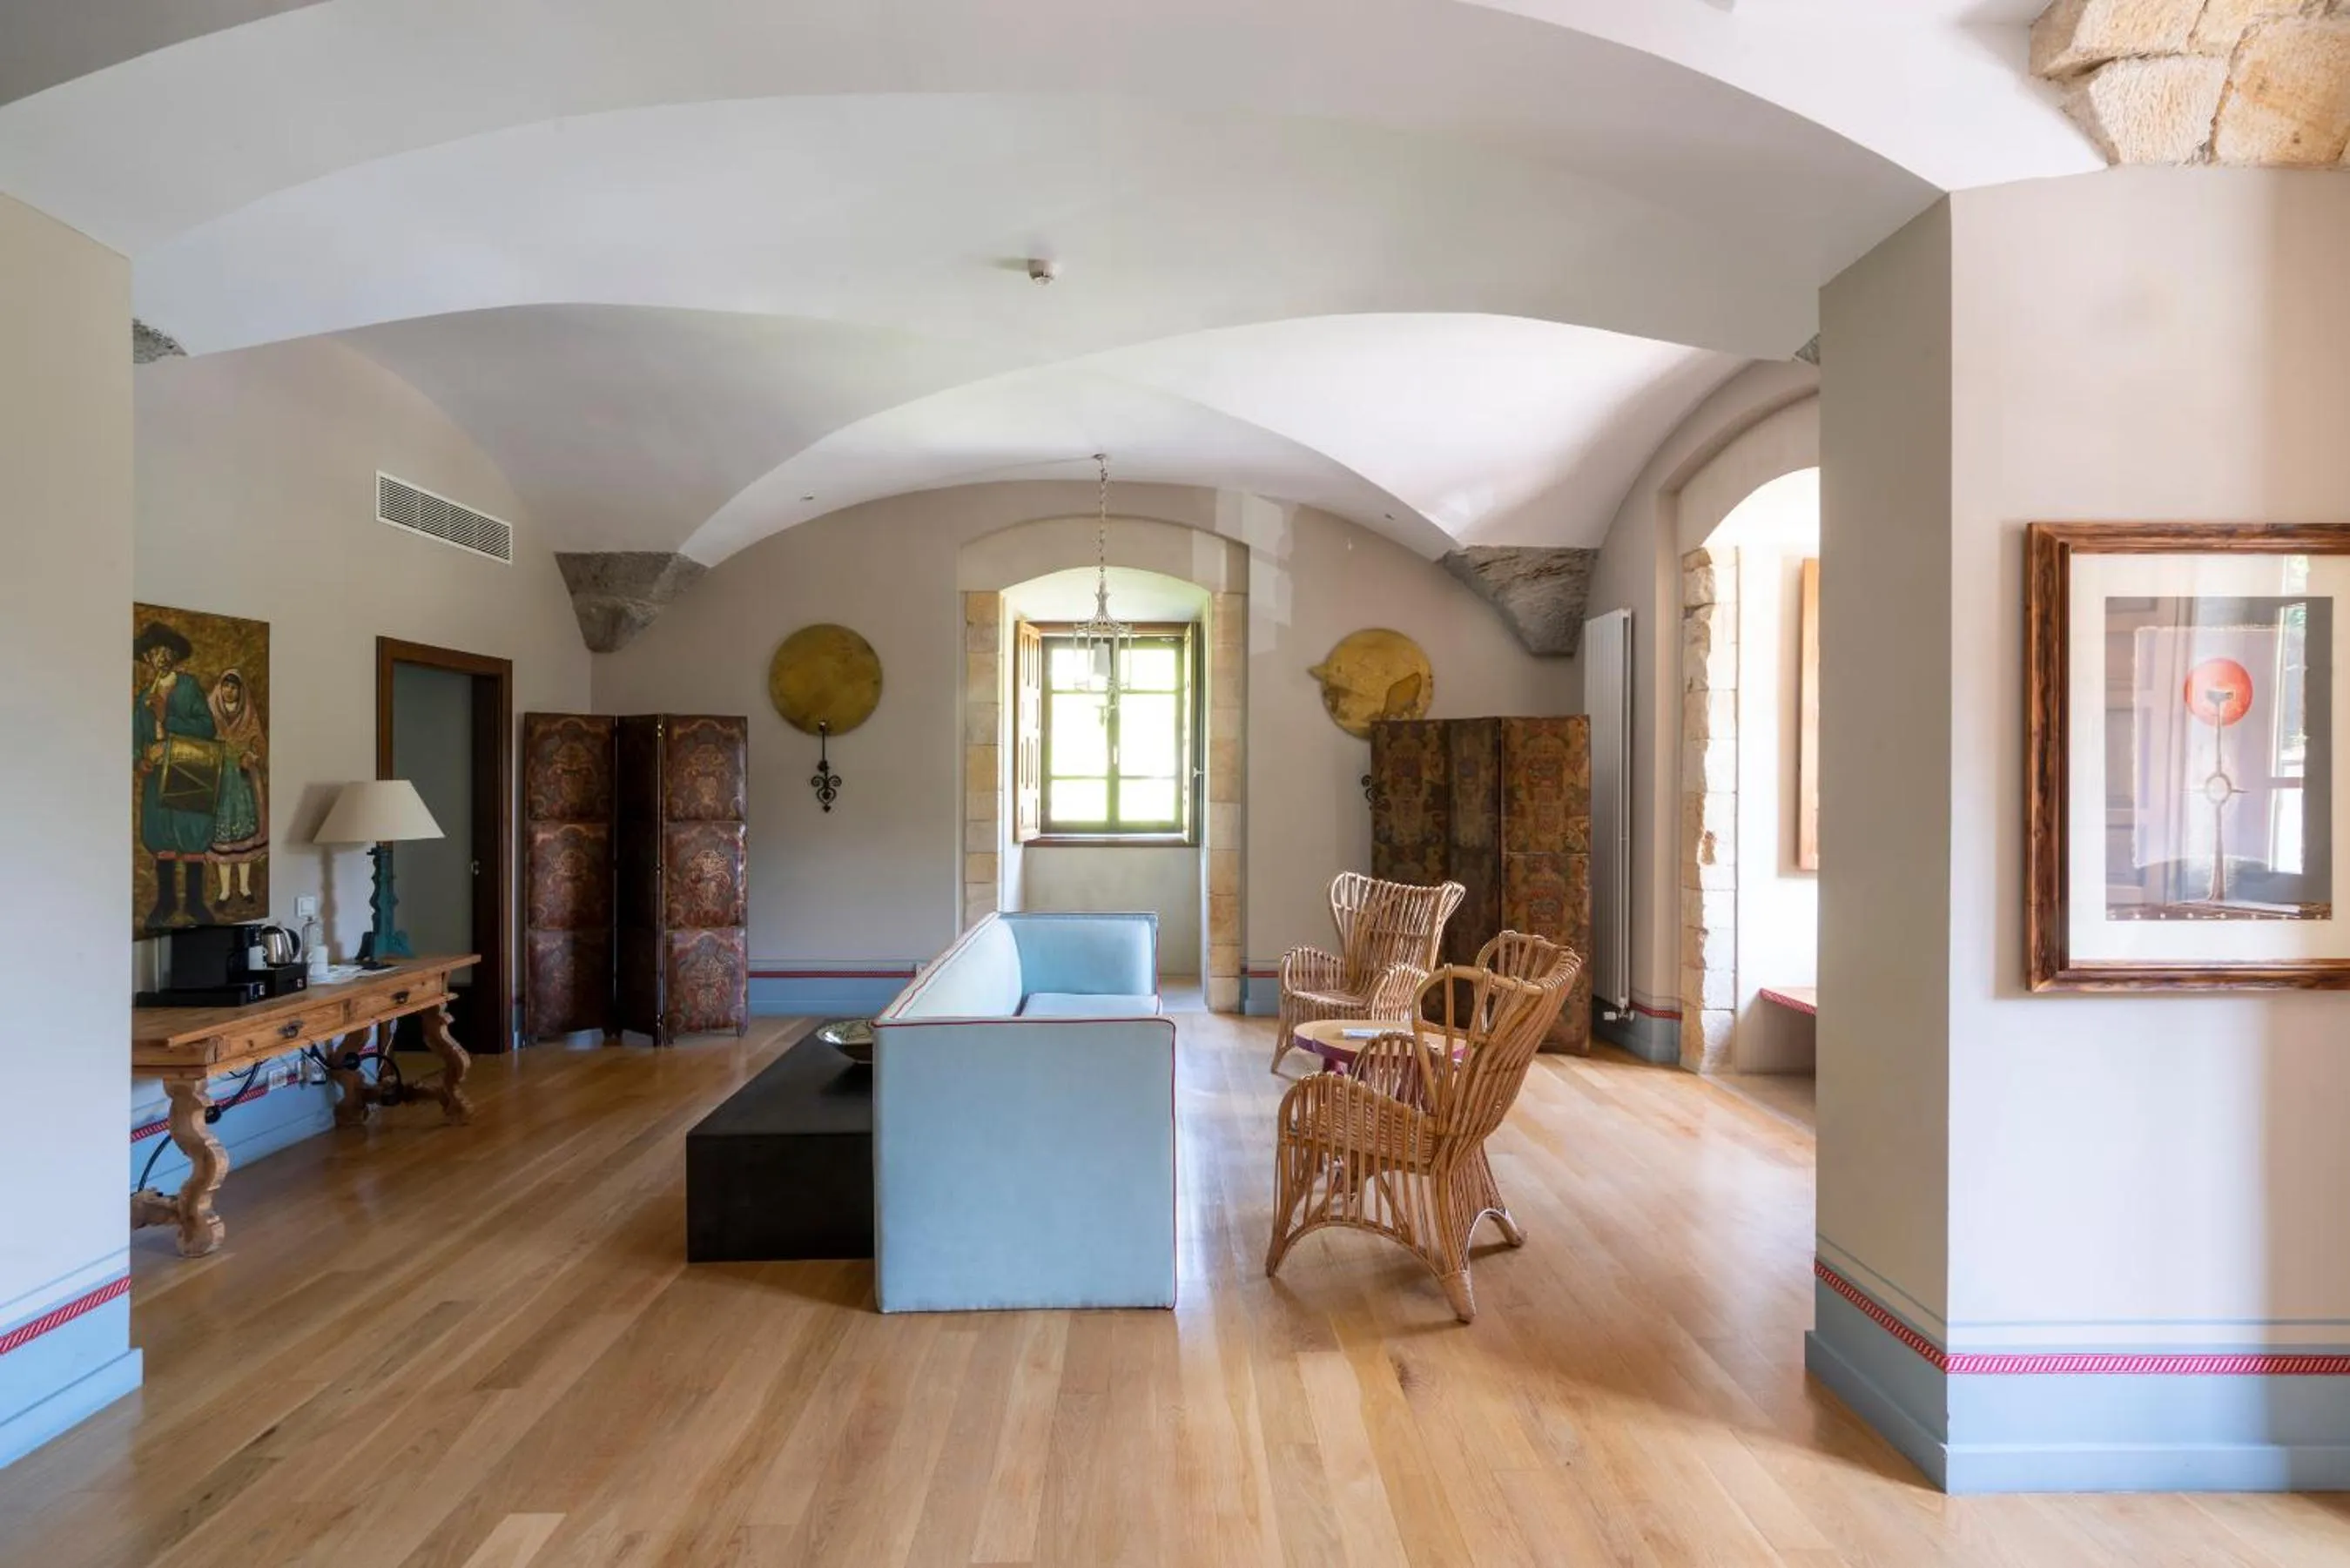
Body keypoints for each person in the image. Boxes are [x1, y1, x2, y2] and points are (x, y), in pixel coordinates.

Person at [134, 622, 219, 927]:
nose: (161, 657)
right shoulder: (144, 695)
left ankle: (195, 902)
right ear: (147, 659)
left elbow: (206, 728)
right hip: (157, 772)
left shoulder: (188, 687)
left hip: (188, 766)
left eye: (166, 651)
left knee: (191, 831)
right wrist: (137, 760)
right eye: (154, 653)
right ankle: (166, 902)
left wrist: (167, 718)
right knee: (162, 832)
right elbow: (134, 737)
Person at [206, 668, 267, 904]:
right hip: (220, 781)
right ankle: (224, 891)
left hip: (243, 782)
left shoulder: (248, 715)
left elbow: (260, 744)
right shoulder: (211, 712)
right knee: (223, 836)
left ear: (240, 691)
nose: (229, 691)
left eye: (233, 687)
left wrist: (251, 756)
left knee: (244, 833)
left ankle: (244, 888)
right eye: (225, 686)